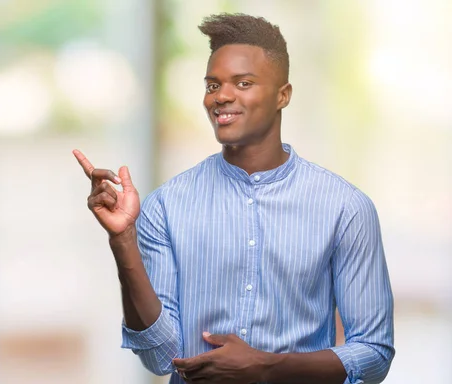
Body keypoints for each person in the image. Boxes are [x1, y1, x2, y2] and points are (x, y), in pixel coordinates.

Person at [73, 13, 394, 384]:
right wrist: (123, 239)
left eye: (243, 82)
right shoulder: (166, 206)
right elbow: (159, 356)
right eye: (212, 85)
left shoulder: (346, 208)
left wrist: (267, 367)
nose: (222, 96)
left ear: (282, 95)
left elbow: (373, 353)